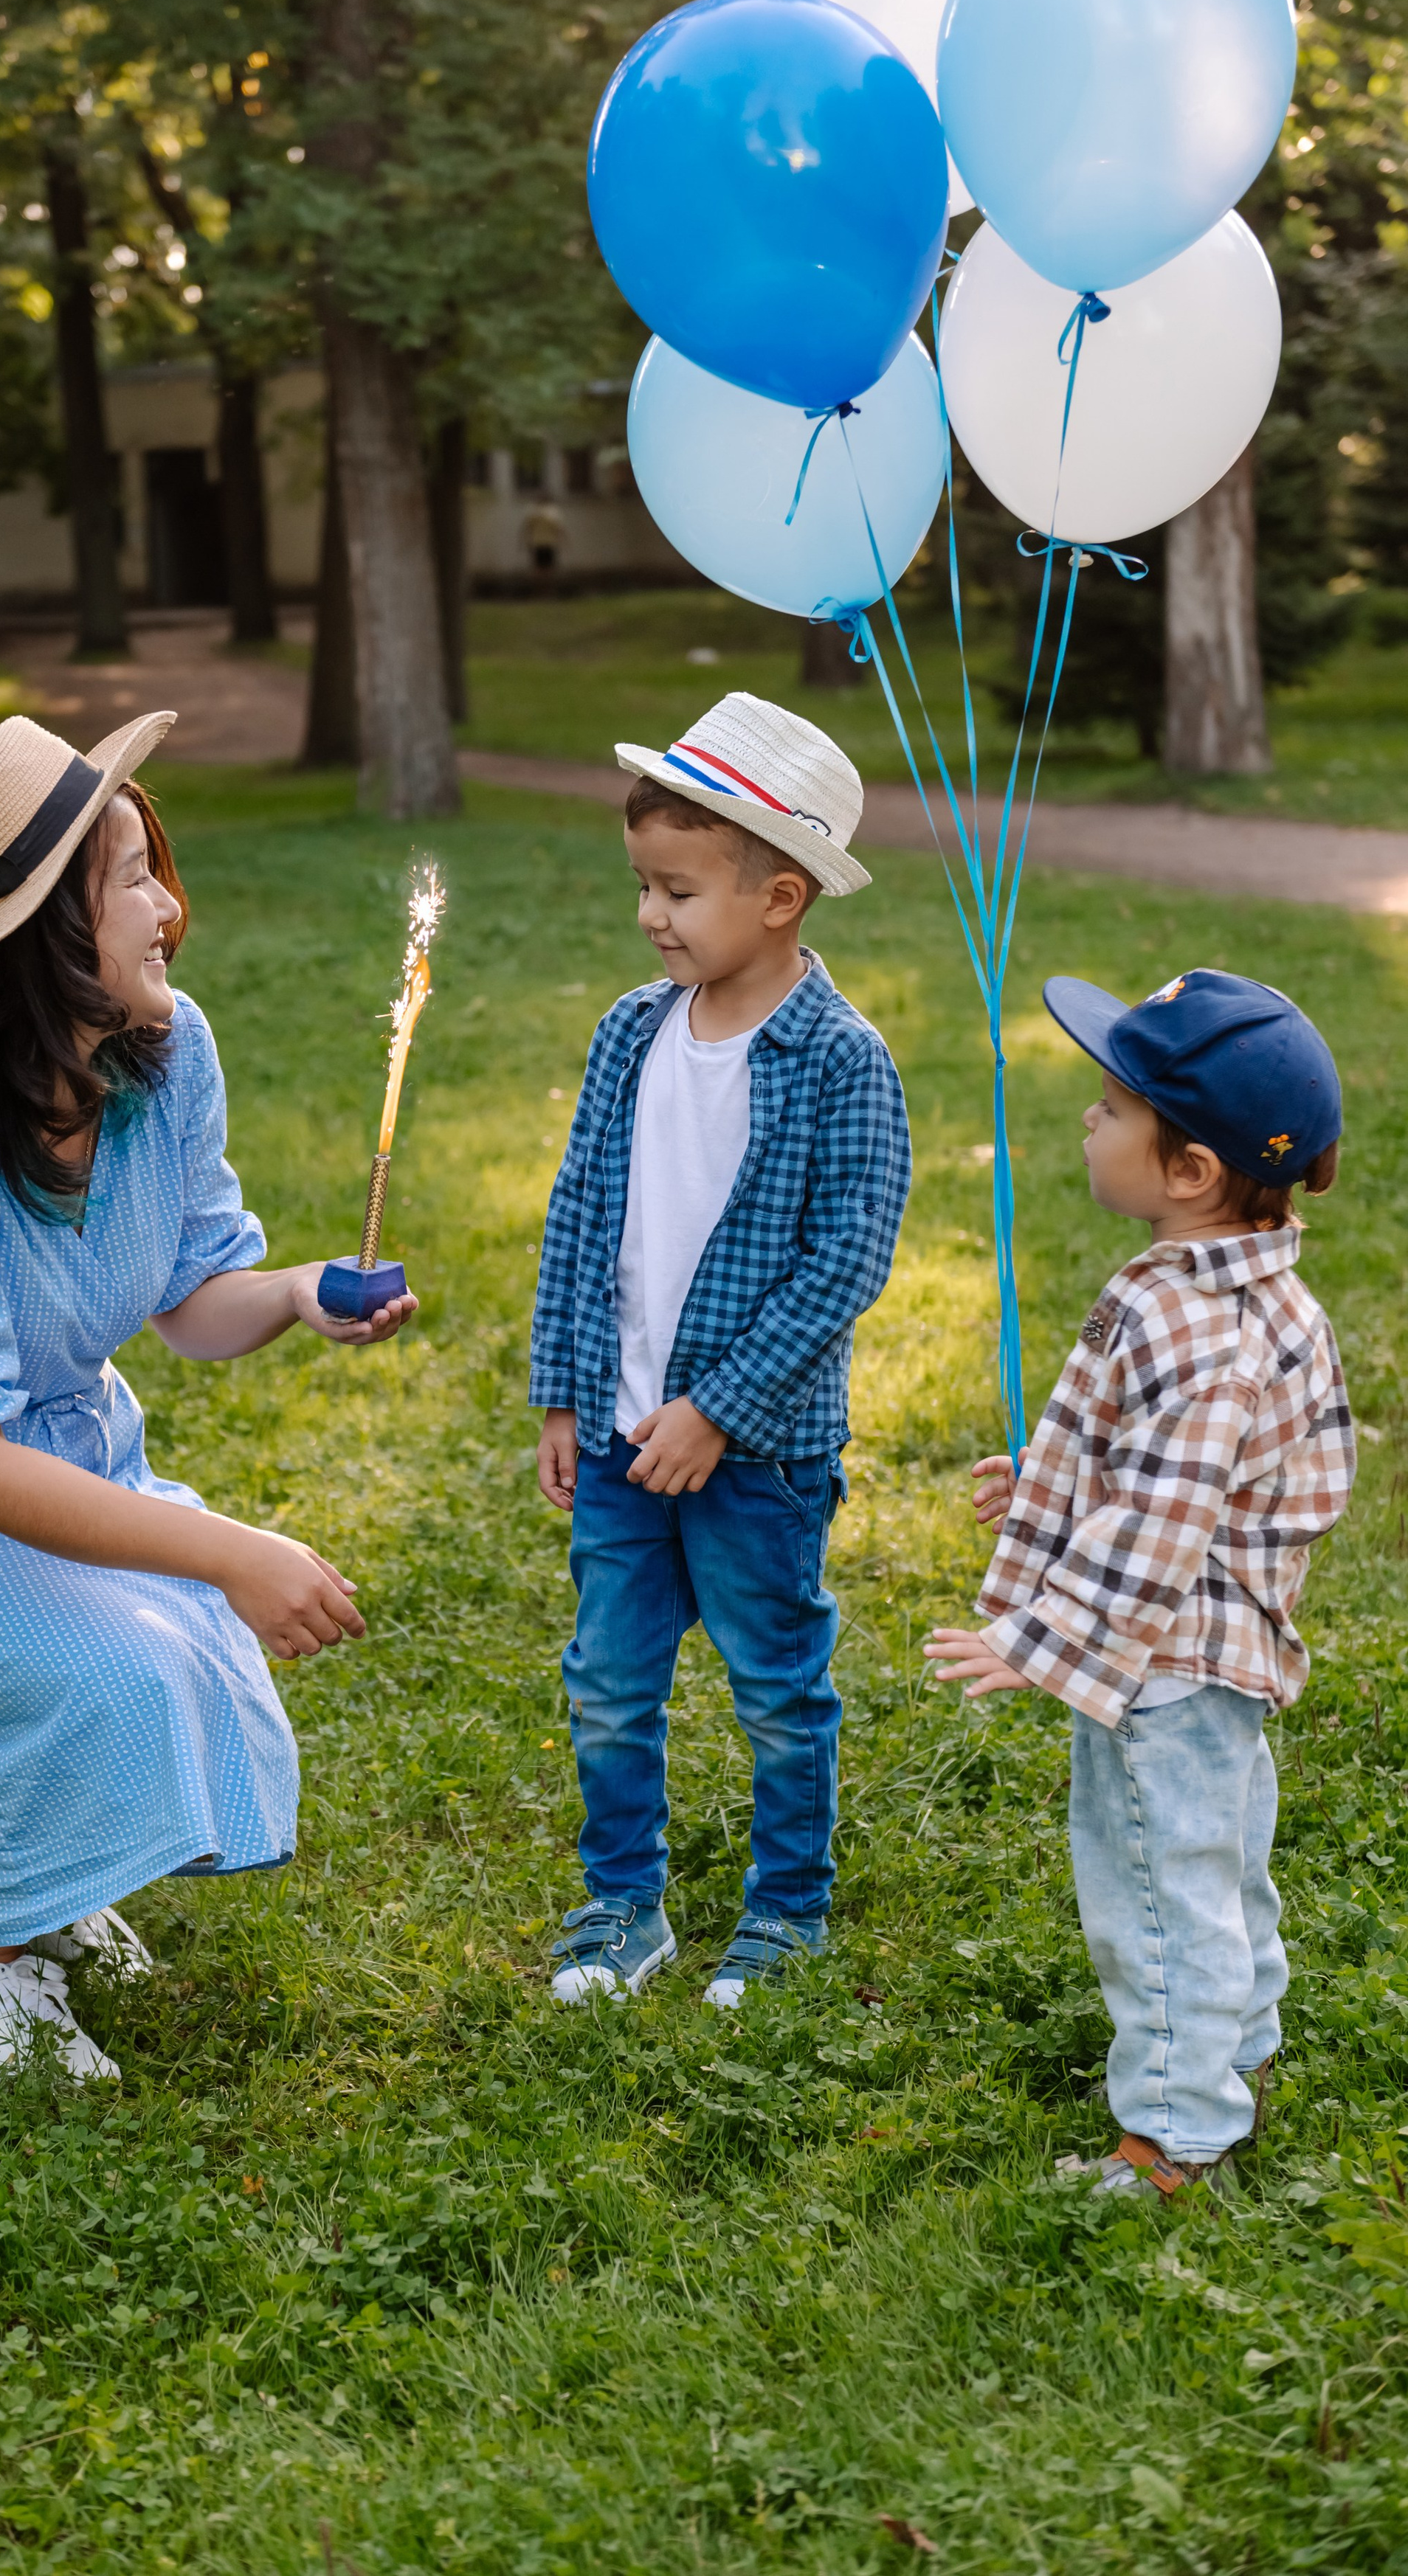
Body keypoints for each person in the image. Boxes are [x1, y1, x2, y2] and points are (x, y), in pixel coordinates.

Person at [0, 710, 414, 2082]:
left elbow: (188, 1299)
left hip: (60, 1457)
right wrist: (232, 1551)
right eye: (130, 879)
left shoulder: (164, 1055)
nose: (169, 907)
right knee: (109, 1669)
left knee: (185, 1645)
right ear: (44, 934)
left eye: (156, 865)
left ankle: (40, 1894)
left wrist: (285, 1293)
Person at [926, 969, 1352, 2195]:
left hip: (1159, 1672)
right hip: (1213, 1659)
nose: (1087, 1122)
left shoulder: (1191, 1323)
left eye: (1112, 1108)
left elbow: (1168, 1521)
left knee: (1158, 1897)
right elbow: (1174, 1469)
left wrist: (1040, 1638)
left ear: (1191, 1172)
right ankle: (1238, 2052)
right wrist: (1057, 1479)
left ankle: (1178, 2138)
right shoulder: (1247, 1285)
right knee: (1218, 1869)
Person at [529, 693, 911, 2007]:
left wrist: (721, 1409)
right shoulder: (631, 1034)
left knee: (775, 1687)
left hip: (758, 1458)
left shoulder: (839, 1061)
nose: (652, 915)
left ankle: (787, 1910)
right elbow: (581, 1217)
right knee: (611, 1686)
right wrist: (568, 1397)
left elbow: (845, 1265)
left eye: (679, 890)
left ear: (782, 896)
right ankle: (620, 1907)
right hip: (625, 1434)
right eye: (644, 884)